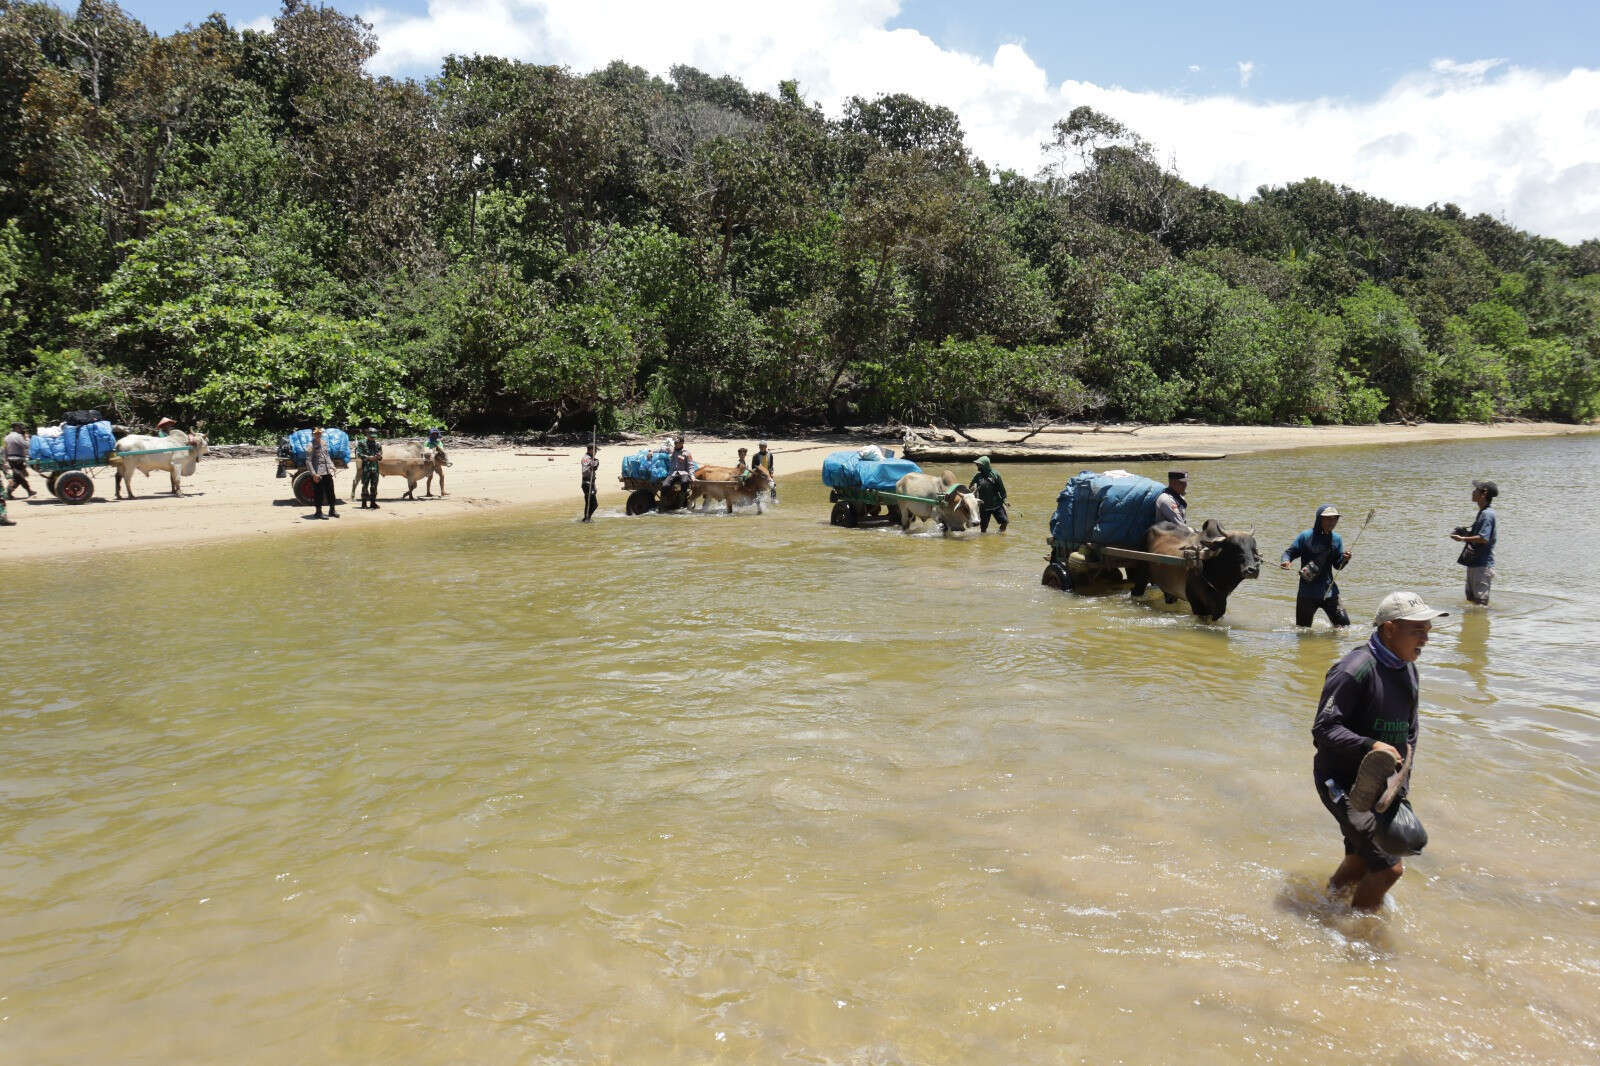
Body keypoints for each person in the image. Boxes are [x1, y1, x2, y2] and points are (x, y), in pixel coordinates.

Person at [1312, 590, 1447, 911]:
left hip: (1383, 786)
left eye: (1427, 629)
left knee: (1360, 859)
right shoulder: (1354, 670)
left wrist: (1400, 785)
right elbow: (1323, 729)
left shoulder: (1407, 667)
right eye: (1417, 630)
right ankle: (1355, 938)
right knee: (1389, 868)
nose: (1425, 638)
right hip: (1343, 784)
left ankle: (1328, 906)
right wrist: (1370, 745)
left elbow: (1410, 732)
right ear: (1389, 629)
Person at [1281, 505, 1352, 626]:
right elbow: (1289, 553)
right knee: (1303, 631)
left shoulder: (1337, 539)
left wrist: (1345, 559)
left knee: (1344, 626)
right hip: (1307, 592)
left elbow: (1337, 565)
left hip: (1329, 592)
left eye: (1335, 519)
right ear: (1319, 519)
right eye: (1328, 519)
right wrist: (1286, 561)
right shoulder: (1305, 536)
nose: (1332, 522)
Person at [1450, 480, 1498, 606]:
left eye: (1476, 490)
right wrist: (1465, 534)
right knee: (1472, 601)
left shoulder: (1487, 514)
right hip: (1475, 563)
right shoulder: (1483, 513)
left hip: (1482, 565)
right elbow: (1480, 537)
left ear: (1484, 494)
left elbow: (1483, 538)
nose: (1473, 492)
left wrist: (1462, 538)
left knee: (1480, 604)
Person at [969, 456, 1009, 532]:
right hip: (984, 506)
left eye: (979, 464)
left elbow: (1001, 489)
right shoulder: (977, 476)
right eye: (977, 464)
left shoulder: (995, 475)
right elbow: (970, 487)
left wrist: (1005, 500)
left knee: (1005, 522)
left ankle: (999, 534)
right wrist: (972, 489)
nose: (977, 466)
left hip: (996, 504)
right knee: (983, 528)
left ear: (984, 465)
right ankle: (984, 540)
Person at [306, 426, 339, 519]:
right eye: (316, 433)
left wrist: (332, 465)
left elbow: (327, 456)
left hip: (327, 471)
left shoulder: (324, 443)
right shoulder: (310, 445)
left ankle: (332, 510)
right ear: (313, 435)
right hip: (318, 473)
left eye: (319, 433)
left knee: (331, 492)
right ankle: (318, 512)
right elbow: (308, 461)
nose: (318, 435)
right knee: (318, 493)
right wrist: (314, 474)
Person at [4, 422, 33, 499]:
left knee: (17, 477)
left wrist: (6, 459)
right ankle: (29, 491)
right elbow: (26, 445)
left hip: (11, 459)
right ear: (16, 428)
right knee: (20, 477)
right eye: (20, 428)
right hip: (18, 459)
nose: (21, 429)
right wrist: (27, 438)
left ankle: (9, 493)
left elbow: (5, 449)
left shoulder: (7, 437)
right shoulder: (18, 436)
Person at [356, 427, 382, 510]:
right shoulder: (362, 443)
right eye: (371, 436)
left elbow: (380, 456)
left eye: (374, 436)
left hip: (375, 468)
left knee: (374, 486)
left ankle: (373, 503)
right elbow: (359, 454)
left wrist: (379, 456)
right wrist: (368, 457)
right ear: (367, 435)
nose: (373, 438)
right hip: (366, 468)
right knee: (365, 486)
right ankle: (364, 503)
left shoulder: (378, 444)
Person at [424, 428, 447, 496]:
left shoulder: (439, 442)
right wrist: (433, 451)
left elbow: (441, 450)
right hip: (430, 463)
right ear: (431, 435)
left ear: (437, 435)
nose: (434, 435)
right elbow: (426, 450)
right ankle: (428, 492)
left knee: (442, 476)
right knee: (430, 477)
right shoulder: (427, 442)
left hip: (437, 462)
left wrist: (436, 449)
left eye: (436, 434)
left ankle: (442, 491)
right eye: (433, 434)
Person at [580, 444, 599, 521]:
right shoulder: (586, 458)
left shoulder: (591, 458)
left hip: (591, 483)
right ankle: (586, 518)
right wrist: (594, 464)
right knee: (593, 504)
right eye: (595, 450)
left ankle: (587, 518)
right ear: (591, 450)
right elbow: (585, 471)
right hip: (587, 483)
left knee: (590, 504)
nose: (596, 452)